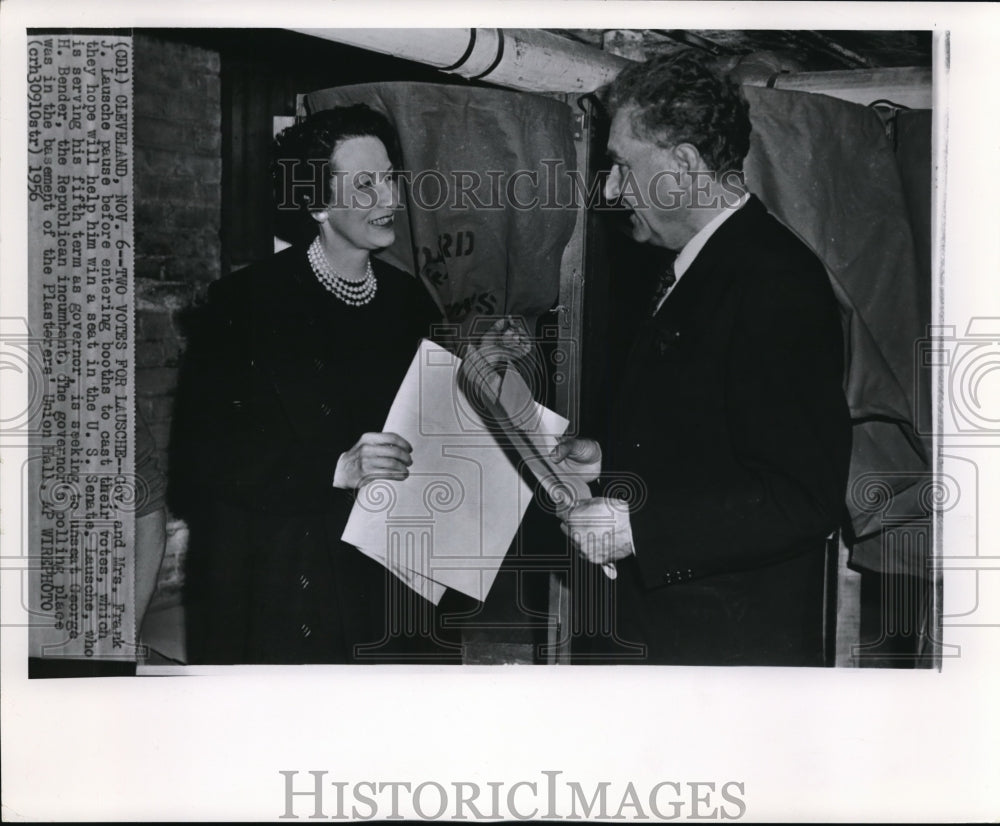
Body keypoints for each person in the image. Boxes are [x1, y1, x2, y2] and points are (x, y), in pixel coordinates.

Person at [554, 52, 852, 666]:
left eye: (621, 167)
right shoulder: (706, 262)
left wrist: (638, 529)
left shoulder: (774, 282)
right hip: (672, 631)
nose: (611, 190)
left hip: (721, 648)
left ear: (684, 166)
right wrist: (608, 458)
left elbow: (802, 497)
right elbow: (716, 436)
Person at [169, 104, 463, 664]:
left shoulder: (411, 302)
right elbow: (201, 459)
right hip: (290, 575)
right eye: (366, 184)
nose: (389, 198)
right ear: (317, 203)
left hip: (394, 572)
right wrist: (335, 469)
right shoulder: (247, 303)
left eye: (391, 179)